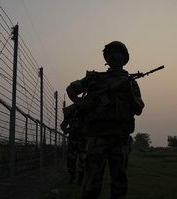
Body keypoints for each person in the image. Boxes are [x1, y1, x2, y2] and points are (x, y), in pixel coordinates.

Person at [66, 41, 144, 199]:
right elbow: (71, 88)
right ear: (106, 58)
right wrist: (79, 103)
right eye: (110, 53)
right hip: (97, 137)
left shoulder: (131, 83)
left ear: (125, 58)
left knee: (120, 181)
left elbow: (138, 109)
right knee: (92, 180)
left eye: (118, 52)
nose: (113, 55)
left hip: (120, 137)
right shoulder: (95, 78)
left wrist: (127, 89)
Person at [60, 103, 87, 185]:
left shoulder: (86, 114)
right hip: (73, 141)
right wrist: (69, 130)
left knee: (82, 161)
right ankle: (72, 176)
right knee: (71, 161)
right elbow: (63, 125)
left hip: (83, 141)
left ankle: (80, 178)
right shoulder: (72, 113)